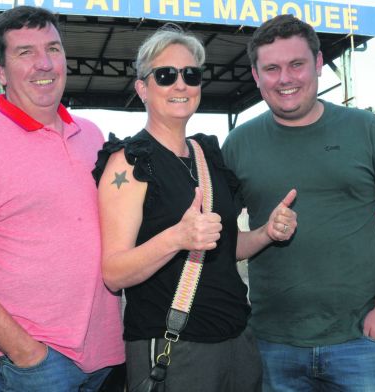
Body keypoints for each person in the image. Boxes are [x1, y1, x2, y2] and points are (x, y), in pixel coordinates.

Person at [221, 15, 375, 391]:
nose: (285, 78)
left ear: (317, 65)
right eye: (271, 68)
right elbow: (221, 243)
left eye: (296, 64)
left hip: (358, 342)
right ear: (256, 76)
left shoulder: (365, 129)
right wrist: (265, 233)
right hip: (273, 343)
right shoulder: (239, 144)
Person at [0, 6, 124, 391]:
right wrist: (25, 352)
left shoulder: (93, 136)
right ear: (0, 71)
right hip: (37, 366)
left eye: (53, 48)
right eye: (25, 53)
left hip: (107, 356)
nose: (44, 63)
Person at [92, 25, 297, 392]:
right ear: (142, 87)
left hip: (237, 342)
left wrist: (267, 233)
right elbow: (113, 272)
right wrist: (177, 237)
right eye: (166, 75)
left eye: (191, 74)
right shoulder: (129, 162)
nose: (180, 84)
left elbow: (225, 248)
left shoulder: (207, 156)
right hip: (177, 350)